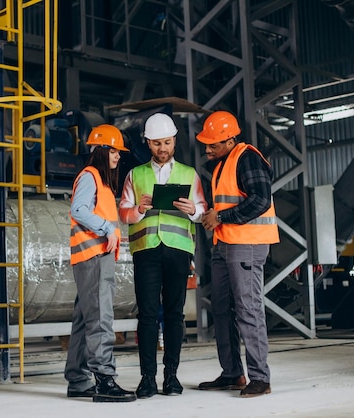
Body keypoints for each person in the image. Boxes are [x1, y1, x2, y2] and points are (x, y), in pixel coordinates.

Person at [119, 113, 207, 398]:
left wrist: (192, 210)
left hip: (178, 250)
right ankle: (147, 379)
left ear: (174, 141)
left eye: (167, 142)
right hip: (146, 250)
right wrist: (140, 210)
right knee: (146, 315)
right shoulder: (135, 175)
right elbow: (123, 212)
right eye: (156, 143)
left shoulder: (189, 174)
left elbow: (202, 210)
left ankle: (171, 377)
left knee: (174, 314)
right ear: (147, 143)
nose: (162, 148)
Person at [195, 110, 279, 398]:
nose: (207, 149)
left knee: (248, 309)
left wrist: (221, 217)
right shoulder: (222, 164)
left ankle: (260, 378)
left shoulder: (247, 158)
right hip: (225, 243)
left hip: (248, 244)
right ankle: (232, 373)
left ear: (229, 140)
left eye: (213, 144)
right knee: (221, 309)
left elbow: (260, 199)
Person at [65, 124, 137, 403]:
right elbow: (79, 209)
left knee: (85, 320)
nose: (118, 156)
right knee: (101, 319)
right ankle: (105, 380)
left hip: (93, 258)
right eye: (115, 150)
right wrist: (107, 228)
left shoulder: (99, 180)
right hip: (93, 257)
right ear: (102, 150)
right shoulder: (90, 176)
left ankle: (78, 379)